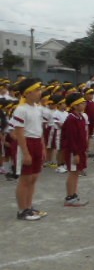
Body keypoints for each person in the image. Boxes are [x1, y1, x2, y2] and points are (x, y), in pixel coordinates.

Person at [12, 78, 46, 220]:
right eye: (36, 90)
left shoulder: (38, 108)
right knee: (25, 179)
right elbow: (19, 133)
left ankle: (29, 206)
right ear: (27, 93)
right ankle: (22, 210)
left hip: (37, 142)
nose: (40, 92)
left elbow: (40, 130)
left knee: (33, 178)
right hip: (27, 143)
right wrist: (25, 153)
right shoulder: (21, 109)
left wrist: (43, 147)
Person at [61, 92, 89, 206]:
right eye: (81, 103)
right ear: (75, 105)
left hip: (80, 149)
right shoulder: (71, 119)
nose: (84, 105)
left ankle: (74, 194)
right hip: (73, 151)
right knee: (73, 173)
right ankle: (70, 197)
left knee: (76, 173)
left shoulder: (81, 117)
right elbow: (71, 138)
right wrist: (75, 153)